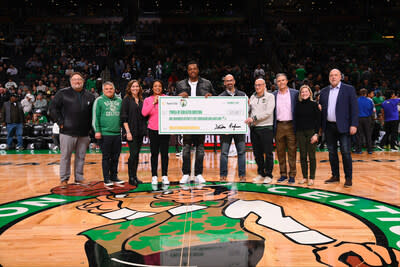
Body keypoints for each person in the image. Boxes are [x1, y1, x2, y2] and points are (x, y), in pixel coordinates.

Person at [49, 72, 95, 187]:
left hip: (84, 133)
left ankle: (79, 177)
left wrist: (91, 129)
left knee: (81, 156)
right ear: (70, 81)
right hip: (67, 131)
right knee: (65, 156)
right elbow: (53, 109)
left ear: (83, 81)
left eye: (79, 79)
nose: (77, 81)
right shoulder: (62, 93)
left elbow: (93, 114)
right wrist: (60, 122)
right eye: (74, 80)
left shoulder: (90, 95)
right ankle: (64, 179)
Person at [176, 61, 215, 184]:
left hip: (201, 121)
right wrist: (178, 96)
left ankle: (198, 174)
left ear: (198, 70)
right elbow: (172, 101)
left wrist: (211, 96)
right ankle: (186, 174)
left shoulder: (207, 83)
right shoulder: (180, 84)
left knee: (200, 149)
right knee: (186, 149)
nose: (192, 71)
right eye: (190, 69)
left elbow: (216, 99)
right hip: (186, 121)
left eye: (194, 68)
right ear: (187, 71)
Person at [319, 69, 358, 188]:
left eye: (336, 75)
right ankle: (335, 176)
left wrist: (354, 124)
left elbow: (354, 108)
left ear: (340, 77)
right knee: (331, 153)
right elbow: (322, 110)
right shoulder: (324, 91)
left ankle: (348, 178)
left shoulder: (349, 89)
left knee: (346, 152)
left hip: (345, 126)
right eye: (331, 75)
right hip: (329, 126)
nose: (333, 77)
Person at [92, 81, 124, 187]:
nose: (109, 90)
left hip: (116, 133)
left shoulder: (119, 100)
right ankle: (106, 178)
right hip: (104, 134)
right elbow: (95, 117)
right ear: (103, 90)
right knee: (106, 157)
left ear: (114, 90)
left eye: (111, 89)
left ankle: (114, 176)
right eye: (106, 89)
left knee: (116, 157)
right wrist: (97, 130)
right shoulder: (99, 100)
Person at [245, 78, 275, 184]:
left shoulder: (270, 97)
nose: (257, 87)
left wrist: (254, 118)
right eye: (256, 85)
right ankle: (261, 173)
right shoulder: (252, 97)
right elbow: (249, 111)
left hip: (266, 128)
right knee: (257, 154)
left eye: (259, 85)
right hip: (254, 129)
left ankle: (269, 175)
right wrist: (248, 120)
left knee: (268, 153)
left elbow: (268, 112)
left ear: (264, 85)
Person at [219, 74, 247, 182]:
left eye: (231, 80)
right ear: (225, 83)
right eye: (227, 81)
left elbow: (246, 110)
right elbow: (218, 113)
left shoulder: (242, 95)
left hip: (239, 128)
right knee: (224, 153)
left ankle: (242, 175)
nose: (229, 82)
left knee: (241, 152)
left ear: (234, 81)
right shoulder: (220, 97)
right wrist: (223, 128)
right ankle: (223, 175)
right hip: (226, 130)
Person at [142, 80, 170, 185]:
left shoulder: (167, 99)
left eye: (159, 86)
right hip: (153, 130)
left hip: (165, 130)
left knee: (164, 154)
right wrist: (154, 102)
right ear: (152, 88)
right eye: (155, 86)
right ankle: (154, 176)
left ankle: (164, 175)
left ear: (162, 88)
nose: (157, 88)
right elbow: (144, 113)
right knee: (154, 154)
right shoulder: (148, 100)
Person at [272, 73, 298, 184]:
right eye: (279, 81)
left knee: (292, 151)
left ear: (287, 81)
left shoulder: (295, 93)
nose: (281, 82)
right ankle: (283, 174)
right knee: (280, 152)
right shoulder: (272, 95)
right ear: (276, 83)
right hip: (279, 126)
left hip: (291, 125)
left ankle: (292, 175)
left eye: (283, 80)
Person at [120, 80, 147, 186]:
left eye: (137, 86)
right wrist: (128, 132)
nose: (135, 88)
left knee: (136, 155)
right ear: (129, 88)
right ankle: (131, 177)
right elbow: (123, 117)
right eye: (133, 86)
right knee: (133, 154)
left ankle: (135, 176)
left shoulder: (141, 100)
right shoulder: (126, 100)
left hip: (140, 131)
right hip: (131, 131)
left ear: (139, 88)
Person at [294, 85, 321, 186]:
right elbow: (296, 120)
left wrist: (316, 134)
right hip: (300, 133)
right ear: (300, 94)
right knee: (302, 156)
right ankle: (305, 177)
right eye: (302, 92)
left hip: (311, 133)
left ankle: (312, 178)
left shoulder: (314, 105)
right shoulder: (298, 105)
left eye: (306, 91)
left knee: (312, 156)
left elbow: (318, 121)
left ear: (310, 93)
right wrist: (296, 133)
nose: (304, 93)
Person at [355, 89, 374, 154]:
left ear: (360, 93)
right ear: (366, 94)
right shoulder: (369, 101)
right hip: (367, 118)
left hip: (358, 118)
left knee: (359, 135)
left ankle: (359, 150)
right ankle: (369, 150)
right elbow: (372, 111)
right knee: (368, 134)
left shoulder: (356, 100)